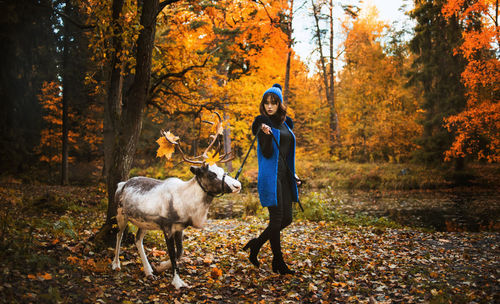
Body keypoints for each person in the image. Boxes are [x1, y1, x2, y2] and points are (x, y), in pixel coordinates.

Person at [243, 83, 301, 275]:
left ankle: (256, 245)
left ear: (279, 104)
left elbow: (287, 154)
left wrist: (294, 174)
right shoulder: (263, 123)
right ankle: (278, 262)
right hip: (270, 177)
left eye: (273, 103)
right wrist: (264, 133)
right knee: (276, 220)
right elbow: (267, 153)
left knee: (287, 219)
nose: (269, 106)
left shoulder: (285, 123)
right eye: (266, 103)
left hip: (285, 177)